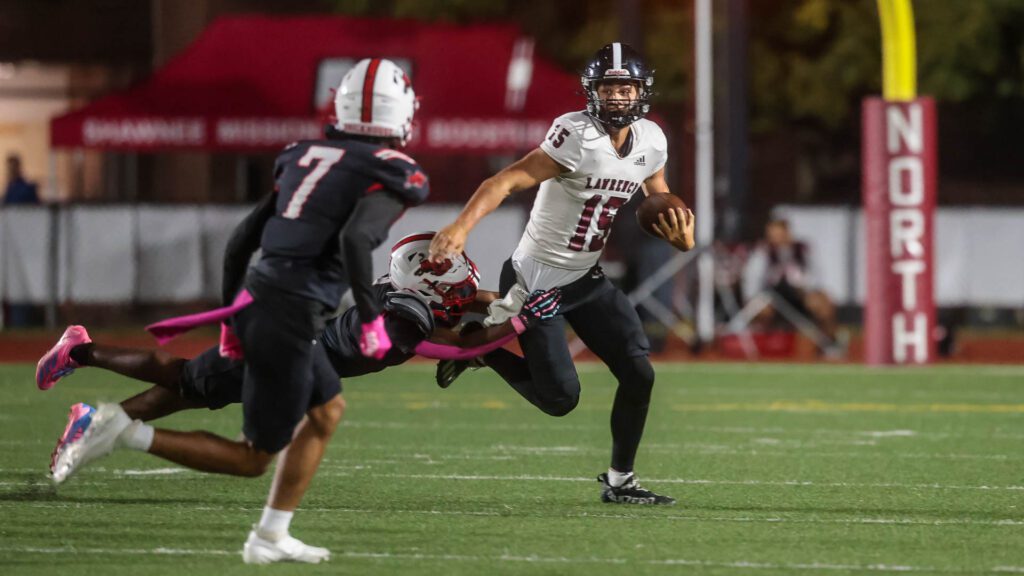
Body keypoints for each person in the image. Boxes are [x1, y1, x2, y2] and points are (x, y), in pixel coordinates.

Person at [35, 58, 429, 564]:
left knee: (320, 409)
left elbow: (241, 242)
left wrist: (228, 320)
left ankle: (271, 535)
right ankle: (122, 430)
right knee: (252, 458)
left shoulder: (301, 155)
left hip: (260, 300)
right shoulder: (398, 171)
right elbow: (355, 238)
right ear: (399, 114)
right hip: (289, 314)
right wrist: (372, 318)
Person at [41, 233, 560, 503]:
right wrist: (516, 324)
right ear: (424, 288)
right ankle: (82, 358)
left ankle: (90, 413)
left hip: (293, 347)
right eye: (452, 286)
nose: (462, 290)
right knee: (183, 382)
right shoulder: (402, 324)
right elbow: (453, 348)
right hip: (285, 356)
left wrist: (511, 300)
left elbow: (462, 306)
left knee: (188, 389)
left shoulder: (401, 296)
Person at [428, 43, 695, 505]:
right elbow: (506, 180)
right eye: (609, 89)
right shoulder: (575, 135)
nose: (616, 99)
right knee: (560, 399)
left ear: (641, 92)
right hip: (537, 279)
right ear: (592, 92)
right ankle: (482, 345)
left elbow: (660, 197)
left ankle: (620, 481)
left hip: (586, 278)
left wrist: (680, 236)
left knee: (639, 373)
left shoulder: (652, 140)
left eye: (625, 88)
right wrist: (461, 225)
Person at [742, 216, 842, 355]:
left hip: (799, 295)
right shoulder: (762, 252)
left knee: (823, 303)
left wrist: (804, 285)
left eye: (780, 234)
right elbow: (753, 281)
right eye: (773, 234)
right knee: (761, 309)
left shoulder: (802, 249)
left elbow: (816, 276)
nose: (777, 238)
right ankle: (766, 347)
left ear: (788, 233)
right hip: (773, 297)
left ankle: (828, 344)